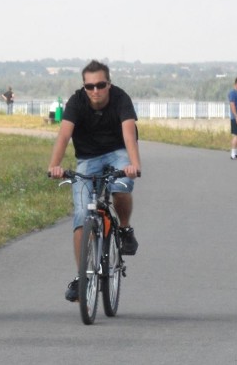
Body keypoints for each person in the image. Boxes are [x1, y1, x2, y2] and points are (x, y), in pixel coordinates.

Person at [48, 60, 141, 303]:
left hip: (118, 151)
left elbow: (129, 134)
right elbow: (64, 135)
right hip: (88, 158)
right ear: (84, 86)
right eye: (90, 86)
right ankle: (83, 276)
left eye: (100, 85)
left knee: (120, 187)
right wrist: (54, 166)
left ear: (109, 84)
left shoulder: (121, 99)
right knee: (81, 215)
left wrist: (133, 164)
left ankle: (124, 228)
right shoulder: (76, 102)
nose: (95, 91)